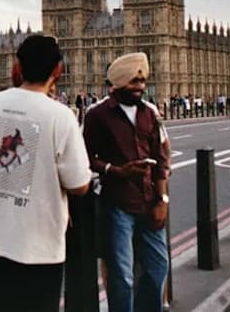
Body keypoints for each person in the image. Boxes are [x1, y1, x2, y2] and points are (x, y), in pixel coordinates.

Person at [0, 34, 91, 312]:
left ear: (16, 66)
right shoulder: (60, 116)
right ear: (58, 70)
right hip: (41, 244)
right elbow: (80, 184)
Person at [83, 52, 170, 312]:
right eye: (134, 82)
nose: (140, 87)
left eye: (142, 82)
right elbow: (86, 157)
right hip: (117, 204)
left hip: (149, 200)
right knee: (122, 275)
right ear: (117, 84)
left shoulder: (151, 113)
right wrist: (116, 170)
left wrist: (162, 199)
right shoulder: (97, 114)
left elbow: (162, 158)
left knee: (158, 267)